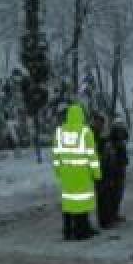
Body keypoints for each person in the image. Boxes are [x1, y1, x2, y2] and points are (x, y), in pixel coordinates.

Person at [52, 102, 102, 240]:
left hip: (67, 175)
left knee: (68, 203)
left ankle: (68, 232)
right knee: (82, 203)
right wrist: (96, 173)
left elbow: (56, 154)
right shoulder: (85, 132)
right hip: (82, 175)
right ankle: (82, 232)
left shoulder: (59, 132)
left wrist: (58, 171)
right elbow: (92, 155)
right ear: (81, 116)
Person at [99, 122, 129, 228]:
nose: (120, 134)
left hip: (120, 172)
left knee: (118, 195)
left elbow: (123, 158)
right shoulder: (109, 144)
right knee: (110, 196)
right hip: (111, 173)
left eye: (122, 131)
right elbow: (108, 160)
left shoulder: (120, 143)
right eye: (118, 131)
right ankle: (108, 218)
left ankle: (114, 215)